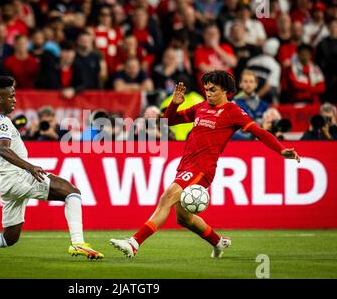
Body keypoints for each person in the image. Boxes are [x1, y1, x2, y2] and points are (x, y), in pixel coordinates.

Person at [110, 71, 300, 259]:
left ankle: (134, 243)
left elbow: (260, 132)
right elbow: (170, 120)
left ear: (225, 90)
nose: (208, 93)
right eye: (206, 89)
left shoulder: (233, 112)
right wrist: (175, 103)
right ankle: (218, 242)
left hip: (202, 168)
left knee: (167, 197)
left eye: (212, 89)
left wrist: (281, 150)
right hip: (186, 165)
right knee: (183, 218)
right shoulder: (201, 107)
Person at [0, 76, 103, 261]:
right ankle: (78, 243)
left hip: (5, 185)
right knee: (71, 192)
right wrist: (30, 166)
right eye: (11, 96)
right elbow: (4, 149)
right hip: (19, 176)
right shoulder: (2, 123)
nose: (14, 100)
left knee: (8, 238)